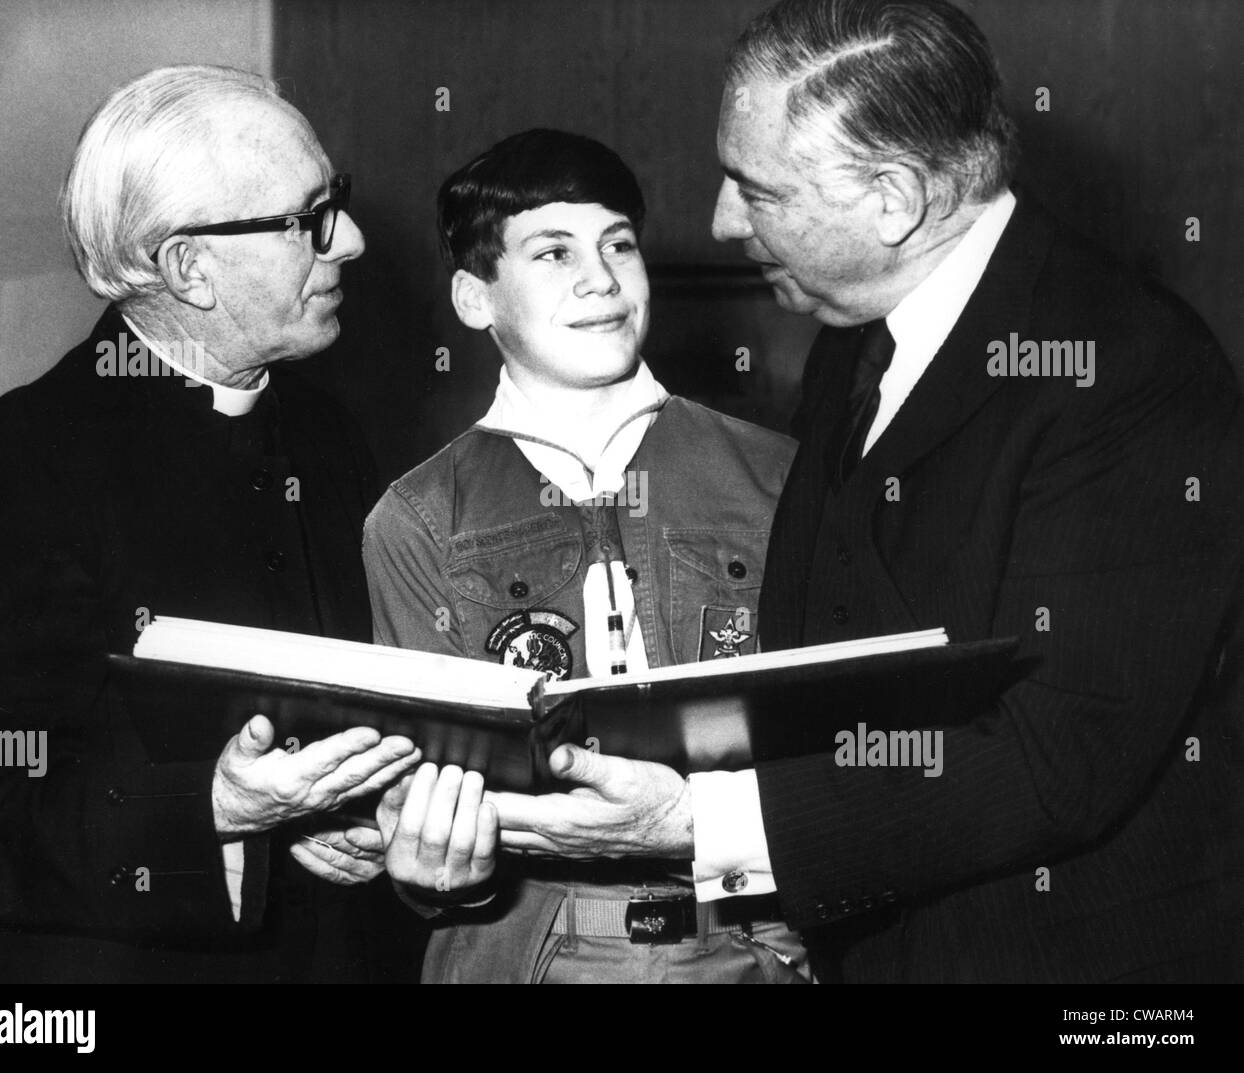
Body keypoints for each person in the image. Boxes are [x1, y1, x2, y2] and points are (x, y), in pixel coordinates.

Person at [481, 0, 1244, 983]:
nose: (719, 218)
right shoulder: (856, 331)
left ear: (892, 200)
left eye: (753, 188)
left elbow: (1058, 753)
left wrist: (694, 819)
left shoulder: (1130, 369)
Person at [0, 65, 427, 983]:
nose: (353, 241)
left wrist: (339, 810)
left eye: (341, 202)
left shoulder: (326, 434)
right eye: (308, 220)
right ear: (187, 268)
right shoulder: (11, 470)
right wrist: (209, 808)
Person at [362, 128, 805, 982]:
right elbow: (416, 804)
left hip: (752, 930)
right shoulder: (418, 518)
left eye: (619, 245)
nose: (600, 279)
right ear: (473, 298)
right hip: (527, 943)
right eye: (553, 252)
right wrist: (425, 866)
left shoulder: (779, 476)